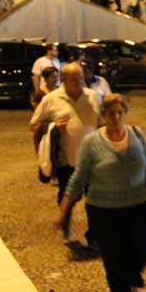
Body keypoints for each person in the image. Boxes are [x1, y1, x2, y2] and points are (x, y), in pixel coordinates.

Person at [54, 94, 146, 292]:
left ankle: (133, 278)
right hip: (103, 211)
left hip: (136, 206)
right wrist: (63, 211)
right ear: (103, 116)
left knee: (142, 251)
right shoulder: (91, 143)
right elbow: (78, 178)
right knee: (113, 262)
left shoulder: (137, 135)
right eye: (111, 113)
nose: (116, 117)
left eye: (120, 112)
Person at [31, 62, 101, 245]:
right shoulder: (51, 99)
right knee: (68, 197)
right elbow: (34, 124)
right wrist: (53, 127)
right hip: (66, 159)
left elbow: (103, 122)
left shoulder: (94, 97)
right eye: (75, 79)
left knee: (96, 199)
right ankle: (67, 229)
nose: (80, 82)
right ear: (64, 79)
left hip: (93, 159)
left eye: (81, 78)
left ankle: (94, 236)